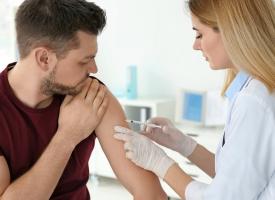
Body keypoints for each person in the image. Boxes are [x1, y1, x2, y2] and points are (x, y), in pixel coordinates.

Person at [0, 0, 167, 199]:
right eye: (85, 60)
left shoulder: (90, 95)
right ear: (44, 58)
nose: (94, 69)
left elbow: (149, 192)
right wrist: (67, 136)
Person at [114, 0, 275, 199]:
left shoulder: (254, 101)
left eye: (199, 34)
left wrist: (159, 162)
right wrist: (184, 145)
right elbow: (239, 177)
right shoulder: (256, 90)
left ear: (231, 30)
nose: (195, 45)